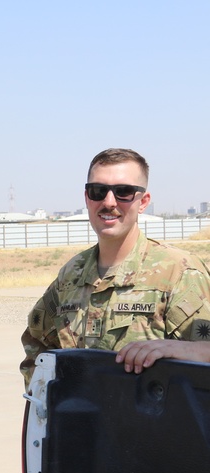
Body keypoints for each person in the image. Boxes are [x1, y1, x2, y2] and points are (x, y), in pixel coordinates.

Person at [20, 148, 210, 387]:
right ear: (87, 198)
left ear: (143, 202)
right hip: (84, 421)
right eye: (98, 191)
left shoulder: (178, 271)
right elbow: (37, 348)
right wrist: (51, 404)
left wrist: (184, 349)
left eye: (124, 192)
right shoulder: (72, 274)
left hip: (152, 423)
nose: (109, 202)